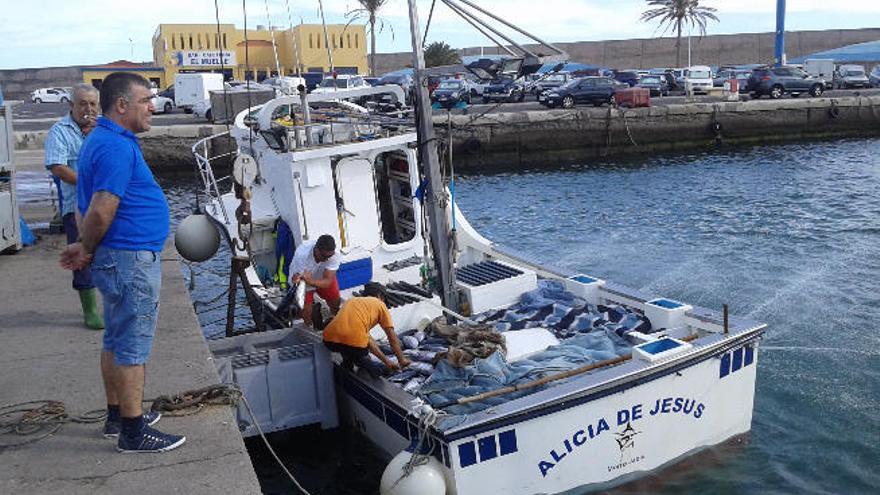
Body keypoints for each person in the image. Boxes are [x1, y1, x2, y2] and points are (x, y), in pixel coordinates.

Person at [59, 72, 185, 453]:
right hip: (129, 259)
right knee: (132, 345)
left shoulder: (104, 140)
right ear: (122, 105)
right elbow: (100, 210)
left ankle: (117, 417)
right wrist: (84, 247)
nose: (153, 107)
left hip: (118, 257)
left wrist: (87, 245)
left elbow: (87, 206)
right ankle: (133, 432)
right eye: (146, 99)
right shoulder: (114, 147)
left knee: (115, 338)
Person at [44, 83, 104, 330]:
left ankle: (114, 304)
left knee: (114, 255)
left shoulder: (103, 129)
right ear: (71, 105)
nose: (87, 109)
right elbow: (57, 167)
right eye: (82, 104)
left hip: (106, 204)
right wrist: (87, 184)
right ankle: (90, 310)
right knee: (83, 257)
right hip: (76, 207)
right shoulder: (59, 131)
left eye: (92, 104)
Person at [322, 282, 411, 376]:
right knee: (365, 362)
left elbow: (368, 340)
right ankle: (375, 373)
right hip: (353, 344)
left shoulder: (352, 301)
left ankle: (347, 365)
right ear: (379, 296)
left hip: (329, 341)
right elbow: (392, 337)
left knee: (348, 348)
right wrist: (402, 359)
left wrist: (387, 361)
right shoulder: (380, 304)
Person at [288, 234, 342, 327]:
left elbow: (328, 282)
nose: (327, 259)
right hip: (303, 283)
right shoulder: (302, 254)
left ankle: (337, 321)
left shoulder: (334, 255)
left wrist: (310, 281)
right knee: (305, 311)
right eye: (324, 256)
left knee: (335, 301)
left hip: (319, 277)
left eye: (329, 256)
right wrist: (299, 280)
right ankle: (309, 327)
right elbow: (297, 279)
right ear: (316, 249)